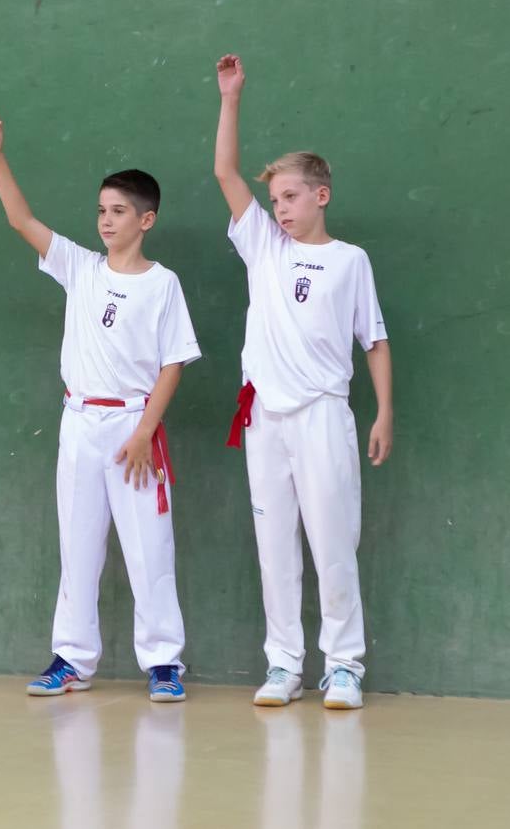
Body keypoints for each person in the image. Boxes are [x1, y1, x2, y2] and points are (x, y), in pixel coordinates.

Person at [0, 100, 200, 702]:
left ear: (146, 220)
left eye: (118, 211)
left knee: (151, 550)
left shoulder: (162, 283)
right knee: (78, 546)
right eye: (101, 210)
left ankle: (164, 663)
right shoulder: (80, 266)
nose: (106, 220)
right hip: (79, 424)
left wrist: (146, 430)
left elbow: (174, 362)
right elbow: (21, 220)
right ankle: (72, 660)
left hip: (134, 428)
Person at [214, 54, 393, 709]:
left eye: (290, 196)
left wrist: (382, 413)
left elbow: (374, 339)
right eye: (274, 200)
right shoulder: (263, 246)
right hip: (265, 419)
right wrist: (230, 98)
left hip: (324, 416)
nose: (279, 207)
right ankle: (284, 665)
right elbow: (225, 172)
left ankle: (342, 666)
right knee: (274, 548)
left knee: (332, 542)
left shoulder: (350, 261)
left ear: (321, 195)